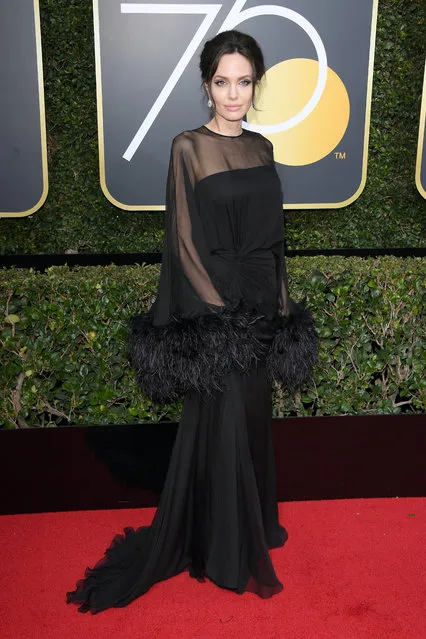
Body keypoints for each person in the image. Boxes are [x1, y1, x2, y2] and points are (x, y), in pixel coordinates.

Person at [66, 29, 318, 614]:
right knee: (223, 418)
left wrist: (280, 310)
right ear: (207, 87)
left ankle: (243, 528)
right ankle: (226, 552)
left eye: (244, 82)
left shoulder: (262, 149)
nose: (234, 94)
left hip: (260, 303)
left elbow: (276, 241)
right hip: (218, 308)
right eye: (223, 82)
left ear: (255, 86)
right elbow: (180, 241)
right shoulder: (189, 147)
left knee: (248, 420)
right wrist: (219, 318)